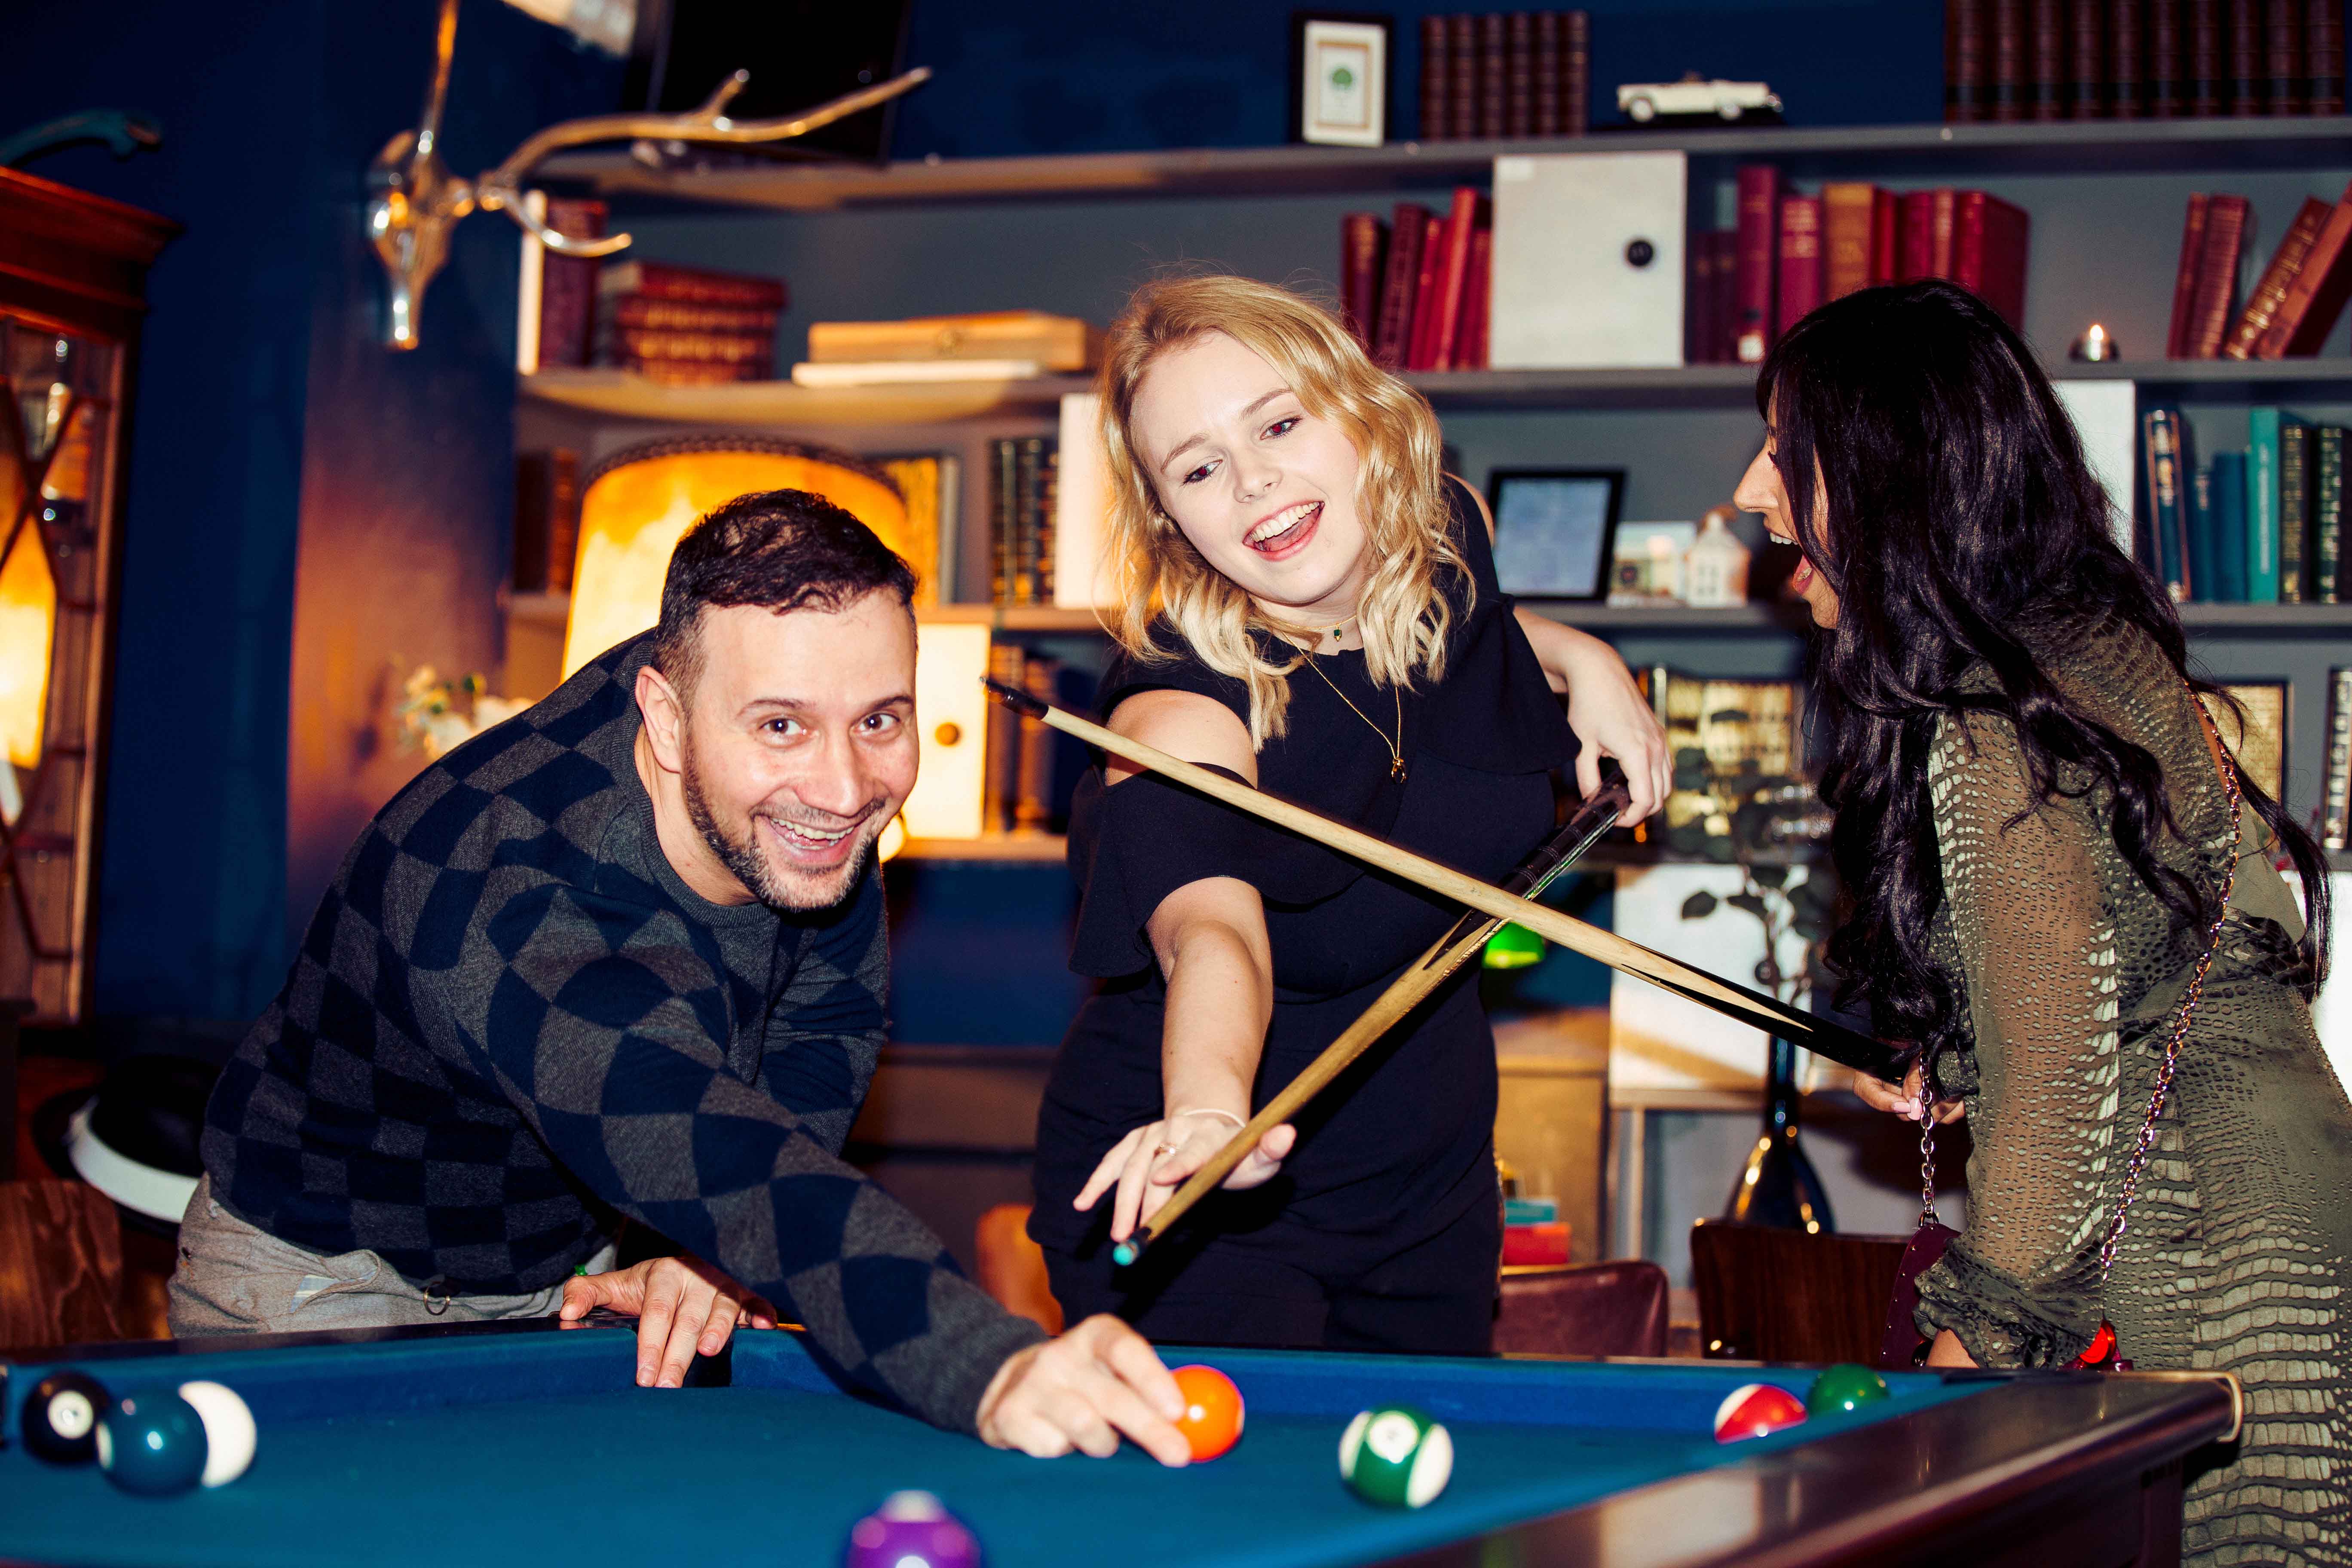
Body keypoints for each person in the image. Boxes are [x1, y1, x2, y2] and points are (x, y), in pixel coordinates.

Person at [177, 490, 1194, 1465]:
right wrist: (989, 1367)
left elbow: (822, 1026)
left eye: (881, 720)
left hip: (554, 1282)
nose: (846, 789)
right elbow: (700, 1141)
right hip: (325, 1284)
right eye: (783, 726)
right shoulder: (512, 891)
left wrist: (713, 1250)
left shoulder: (779, 776)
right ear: (665, 719)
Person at [1737, 279, 2350, 1563]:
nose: (1754, 491)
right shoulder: (2093, 648)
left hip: (2219, 1271)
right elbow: (2148, 966)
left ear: (1895, 470)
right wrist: (1966, 1063)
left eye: (1790, 454)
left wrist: (1960, 1374)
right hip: (2279, 1212)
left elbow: (2069, 1089)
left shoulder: (1990, 714)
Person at [1028, 275, 1669, 1353]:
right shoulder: (1174, 706)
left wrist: (1582, 659)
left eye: (1279, 422)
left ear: (1361, 417)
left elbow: (1459, 636)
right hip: (1211, 1198)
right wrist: (1207, 1111)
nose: (1254, 483)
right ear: (1172, 520)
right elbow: (1211, 931)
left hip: (1436, 1184)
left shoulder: (1447, 546)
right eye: (1199, 468)